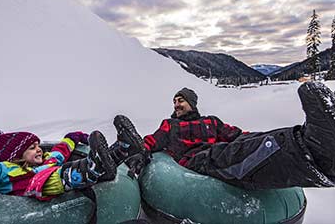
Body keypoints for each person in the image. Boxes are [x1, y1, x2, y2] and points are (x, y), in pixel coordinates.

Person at [123, 81, 335, 189]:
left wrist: (262, 137)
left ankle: (309, 137)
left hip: (217, 151)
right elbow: (152, 141)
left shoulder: (211, 121)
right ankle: (317, 155)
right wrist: (140, 152)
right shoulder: (170, 125)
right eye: (174, 101)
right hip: (198, 161)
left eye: (181, 100)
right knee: (223, 153)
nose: (176, 104)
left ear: (192, 103)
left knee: (250, 140)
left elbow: (236, 135)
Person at [0, 124, 144, 205]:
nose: (39, 150)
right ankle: (93, 167)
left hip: (63, 180)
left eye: (38, 145)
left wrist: (77, 137)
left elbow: (63, 147)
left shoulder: (48, 158)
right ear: (17, 156)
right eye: (32, 147)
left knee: (71, 166)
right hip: (35, 189)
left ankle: (122, 148)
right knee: (47, 177)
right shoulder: (5, 168)